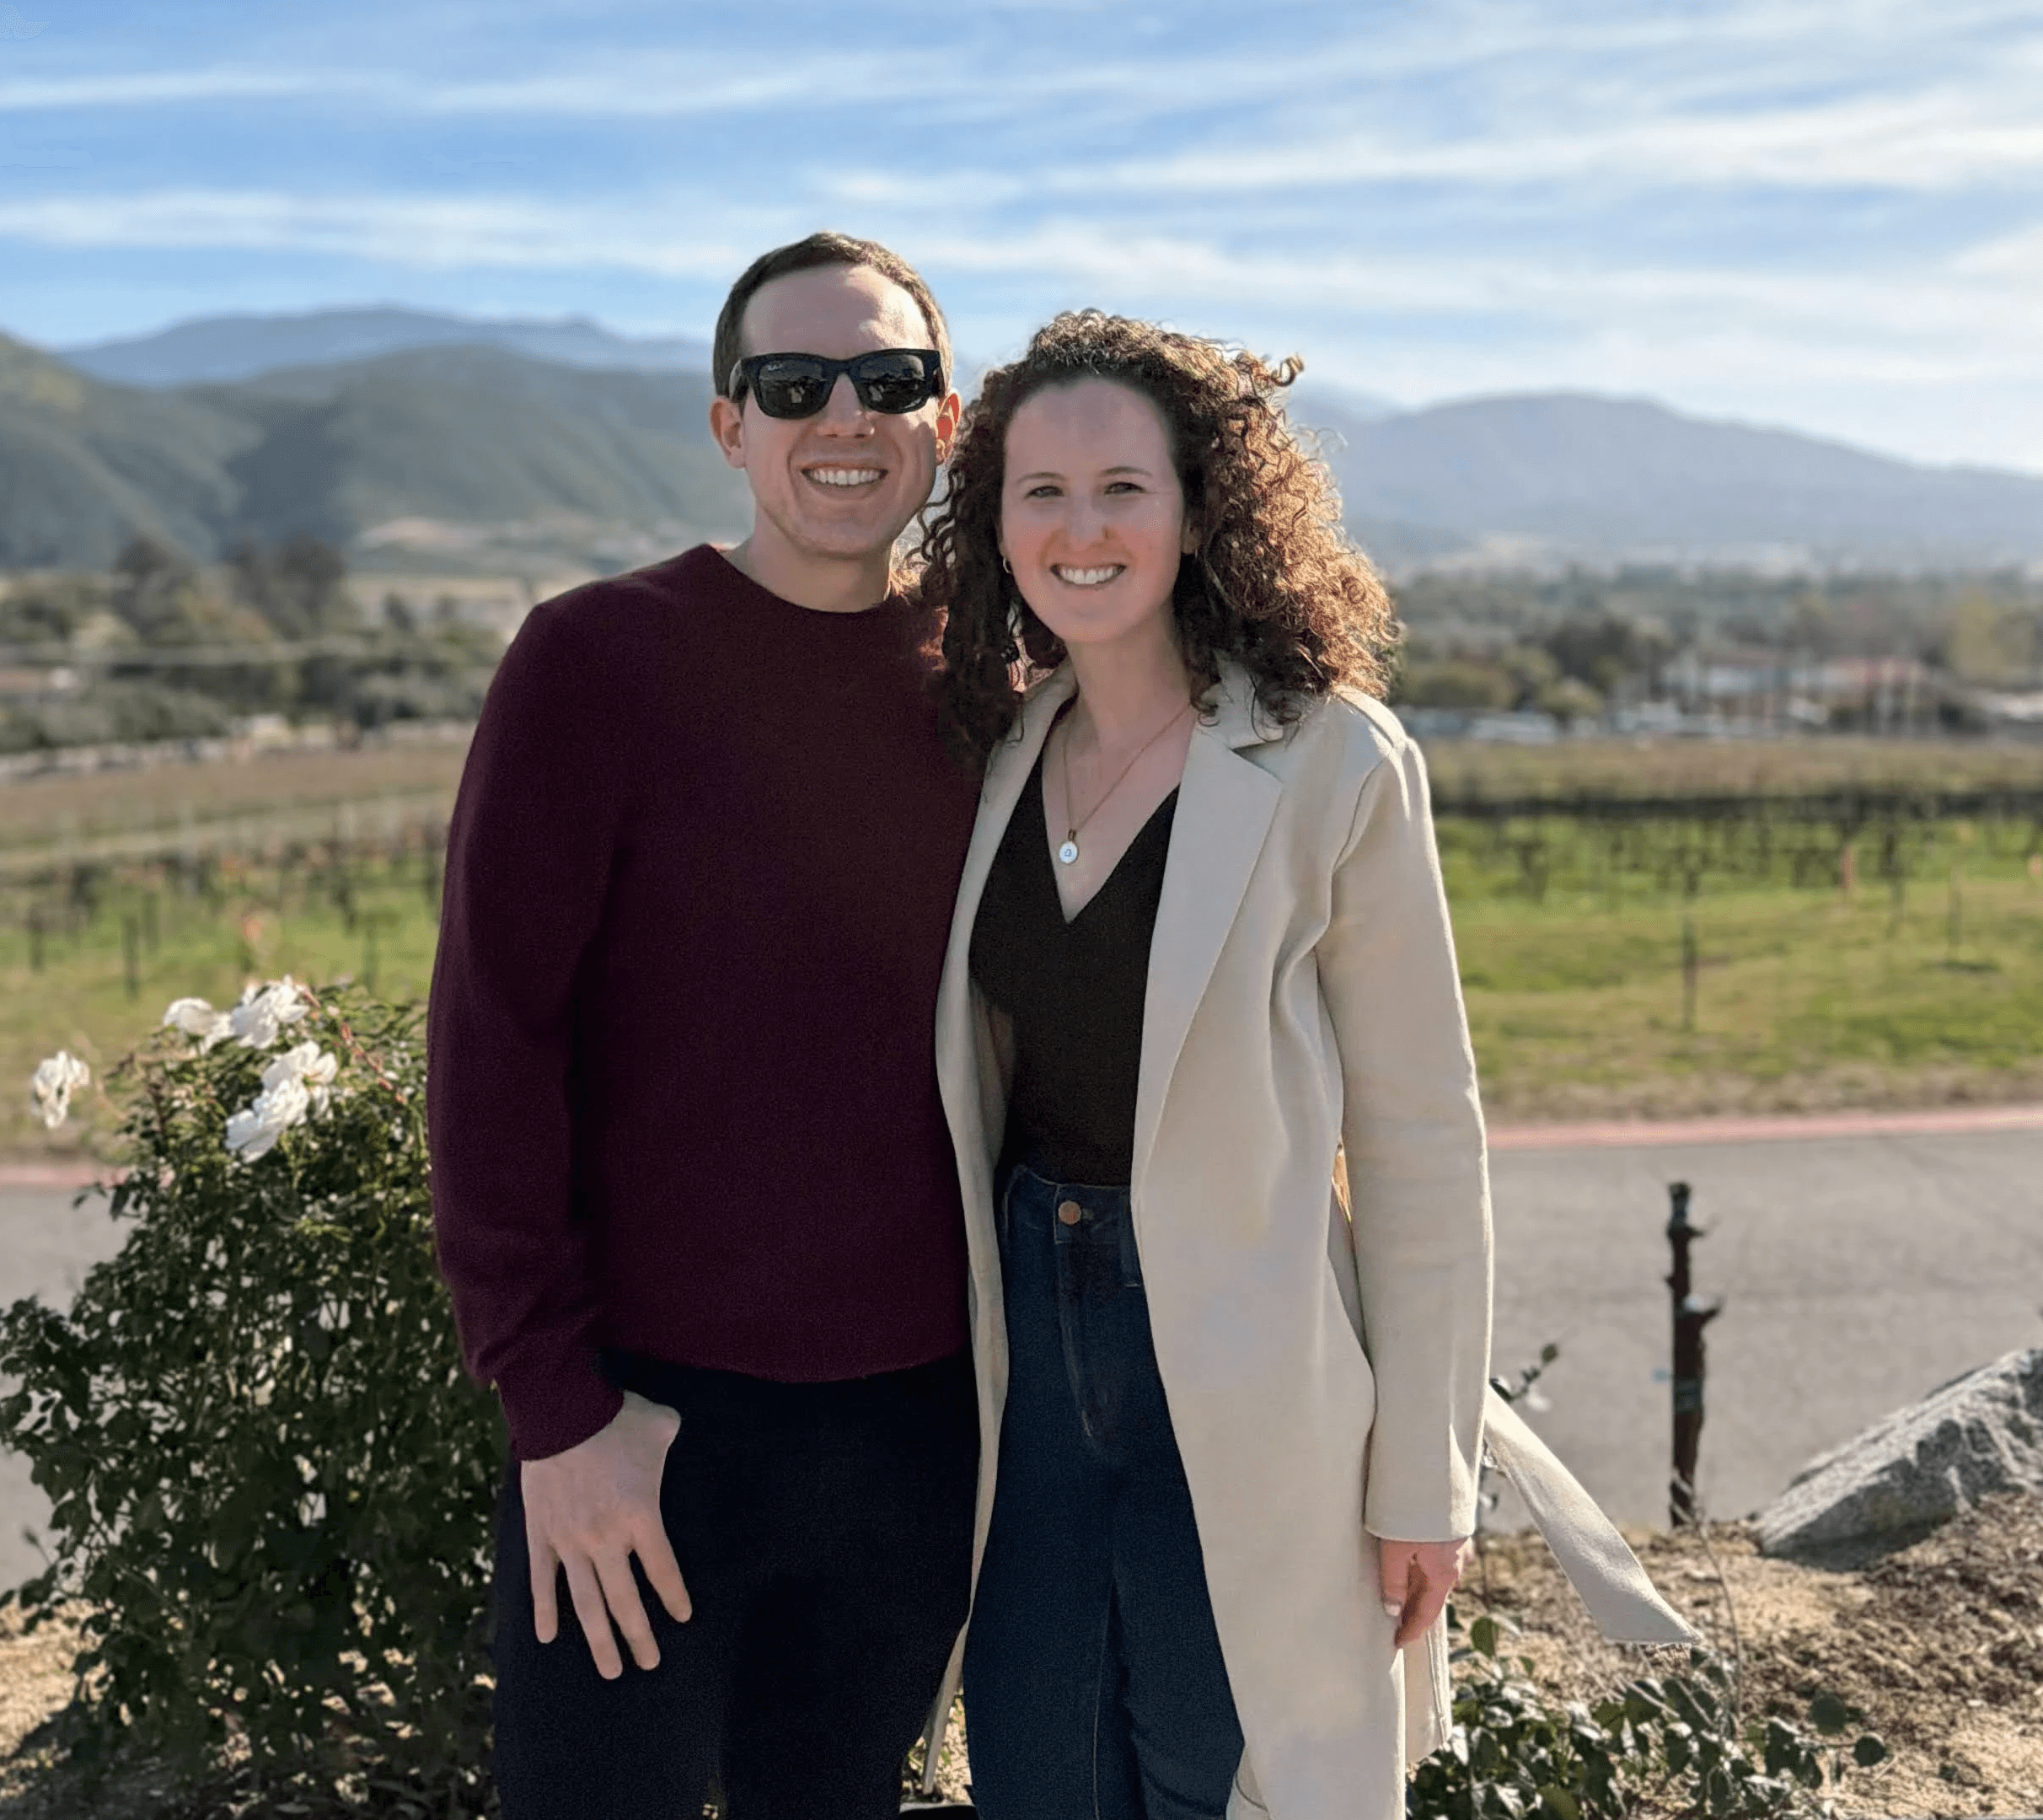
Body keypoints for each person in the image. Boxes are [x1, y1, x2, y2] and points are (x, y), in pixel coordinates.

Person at [915, 312, 1693, 1820]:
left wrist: (1425, 1481)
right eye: (1041, 491)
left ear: (1199, 507)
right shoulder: (1005, 749)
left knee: (1239, 1784)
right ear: (996, 521)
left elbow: (1419, 1138)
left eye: (1124, 488)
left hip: (1252, 1367)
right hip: (1031, 1364)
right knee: (1036, 1780)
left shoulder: (1335, 758)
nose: (1082, 529)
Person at [427, 232, 981, 1820]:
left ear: (944, 419)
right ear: (730, 424)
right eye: (794, 384)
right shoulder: (595, 661)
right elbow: (492, 1045)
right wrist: (559, 1415)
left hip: (918, 1434)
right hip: (643, 1425)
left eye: (888, 379)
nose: (844, 416)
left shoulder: (999, 680)